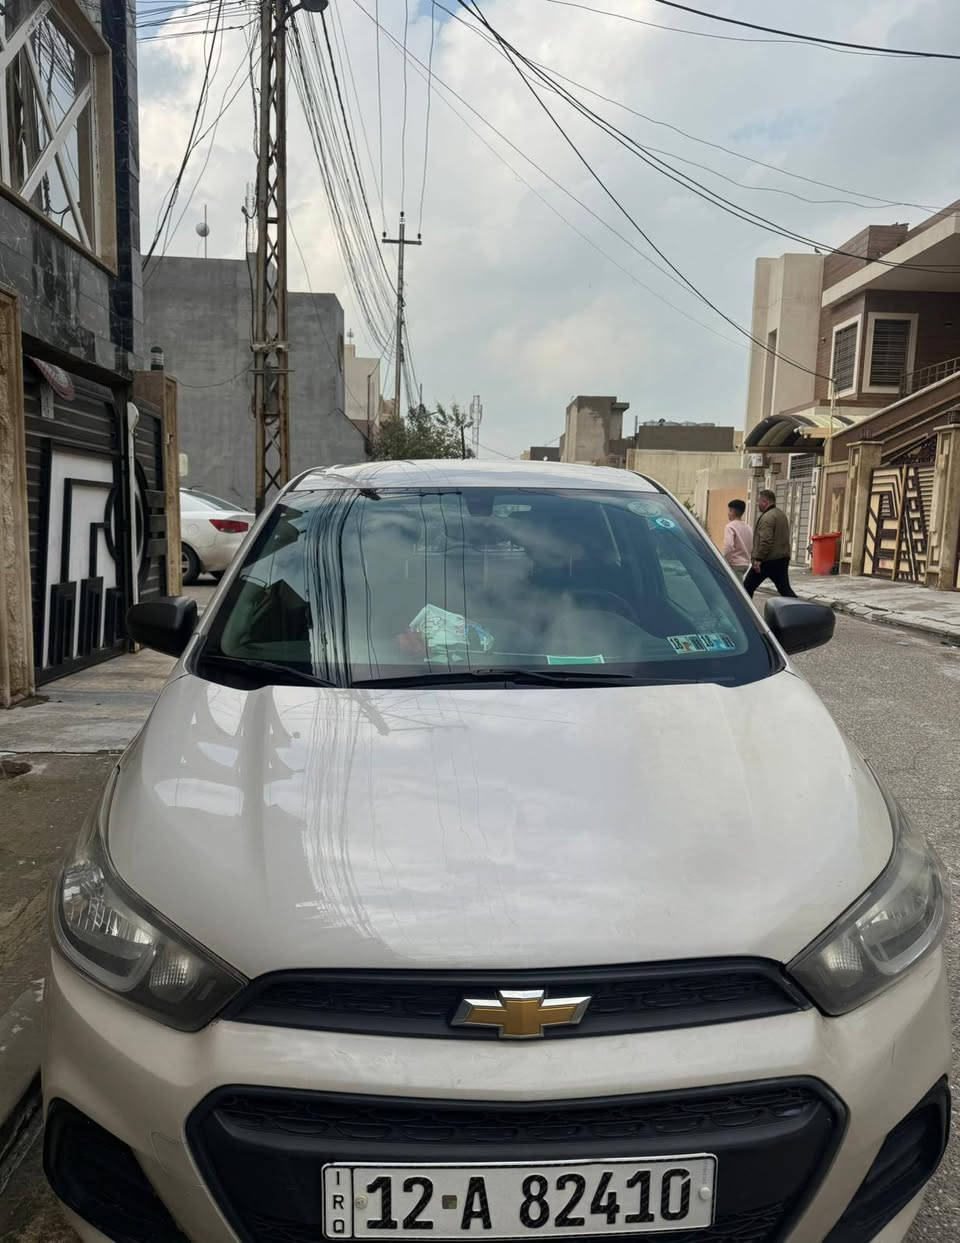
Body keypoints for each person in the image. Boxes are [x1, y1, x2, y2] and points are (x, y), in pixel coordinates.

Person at [743, 489, 797, 599]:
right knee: (785, 589)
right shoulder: (781, 514)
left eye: (759, 501)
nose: (757, 504)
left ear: (765, 502)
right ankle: (798, 607)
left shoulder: (767, 517)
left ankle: (743, 609)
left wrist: (758, 559)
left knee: (747, 587)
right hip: (781, 559)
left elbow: (766, 540)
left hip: (767, 560)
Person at [722, 499, 752, 579]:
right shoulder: (748, 527)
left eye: (729, 510)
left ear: (732, 511)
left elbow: (728, 546)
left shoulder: (730, 526)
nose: (728, 513)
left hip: (734, 564)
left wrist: (724, 561)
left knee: (733, 586)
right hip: (746, 564)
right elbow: (750, 546)